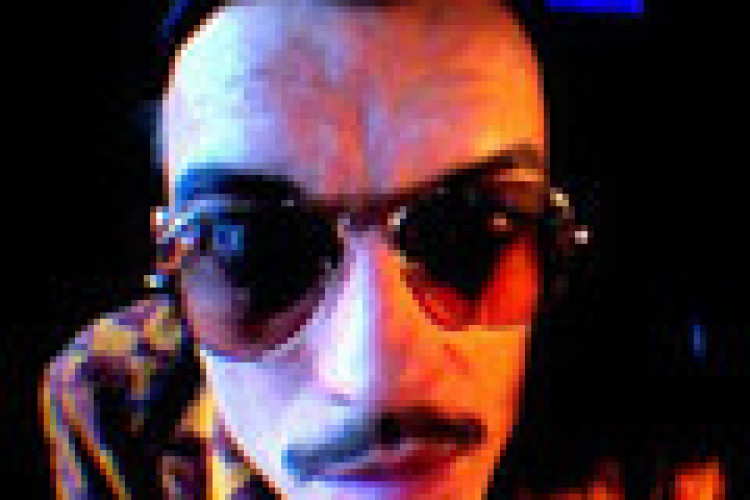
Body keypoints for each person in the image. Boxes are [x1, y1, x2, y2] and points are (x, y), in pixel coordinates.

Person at [40, 0, 727, 498]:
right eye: (252, 251)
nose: (374, 375)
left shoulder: (655, 454)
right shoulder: (115, 400)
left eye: (474, 235)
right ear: (173, 264)